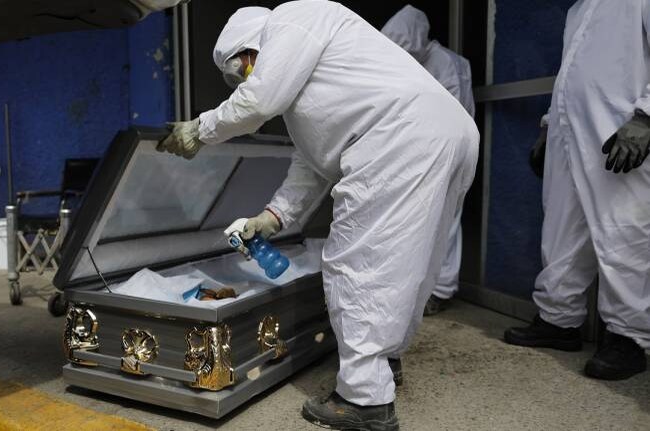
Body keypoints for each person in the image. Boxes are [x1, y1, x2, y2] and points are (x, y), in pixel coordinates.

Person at [159, 1, 478, 429]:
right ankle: (382, 364)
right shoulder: (322, 86)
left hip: (399, 137)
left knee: (356, 266)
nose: (245, 80)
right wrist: (272, 217)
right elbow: (310, 166)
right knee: (409, 266)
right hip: (446, 132)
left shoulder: (292, 18)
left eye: (244, 68)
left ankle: (364, 399)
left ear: (255, 44)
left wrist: (201, 128)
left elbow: (258, 102)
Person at [505, 0, 650, 381]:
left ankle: (629, 338)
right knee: (561, 231)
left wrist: (646, 117)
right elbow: (571, 74)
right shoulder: (578, 10)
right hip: (569, 135)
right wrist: (548, 126)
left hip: (619, 133)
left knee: (623, 233)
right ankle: (559, 319)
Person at [381, 5, 476, 316]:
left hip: (449, 155)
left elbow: (455, 116)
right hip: (419, 157)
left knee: (445, 223)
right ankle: (416, 290)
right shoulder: (409, 63)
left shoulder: (447, 63)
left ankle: (442, 290)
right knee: (417, 225)